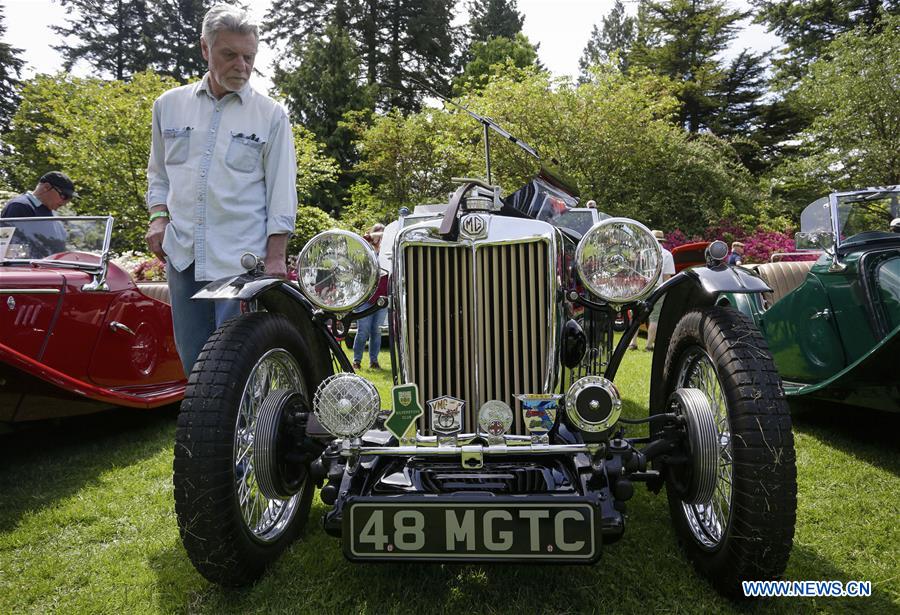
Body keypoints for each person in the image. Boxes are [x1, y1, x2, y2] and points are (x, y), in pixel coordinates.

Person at [145, 3, 298, 376]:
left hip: (241, 262)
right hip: (183, 255)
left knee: (236, 361)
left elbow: (281, 189)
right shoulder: (168, 106)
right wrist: (158, 218)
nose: (241, 66)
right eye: (230, 55)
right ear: (205, 49)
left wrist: (276, 255)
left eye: (249, 57)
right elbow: (159, 174)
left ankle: (242, 433)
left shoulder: (271, 115)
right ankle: (202, 434)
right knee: (194, 363)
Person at [630, 229, 675, 351]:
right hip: (658, 286)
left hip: (642, 286)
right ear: (662, 241)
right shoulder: (667, 254)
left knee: (637, 315)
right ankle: (649, 345)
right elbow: (667, 277)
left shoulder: (642, 253)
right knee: (655, 317)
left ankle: (633, 343)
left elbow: (635, 272)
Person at [353, 225, 388, 370]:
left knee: (377, 331)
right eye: (378, 235)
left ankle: (374, 361)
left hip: (382, 299)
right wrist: (370, 237)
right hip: (366, 299)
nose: (380, 238)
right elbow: (359, 242)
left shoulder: (387, 252)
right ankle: (357, 361)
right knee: (363, 331)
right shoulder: (366, 248)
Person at [1, 171, 77, 218]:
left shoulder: (52, 213)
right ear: (46, 187)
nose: (65, 202)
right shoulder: (19, 206)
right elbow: (10, 242)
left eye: (70, 198)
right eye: (64, 196)